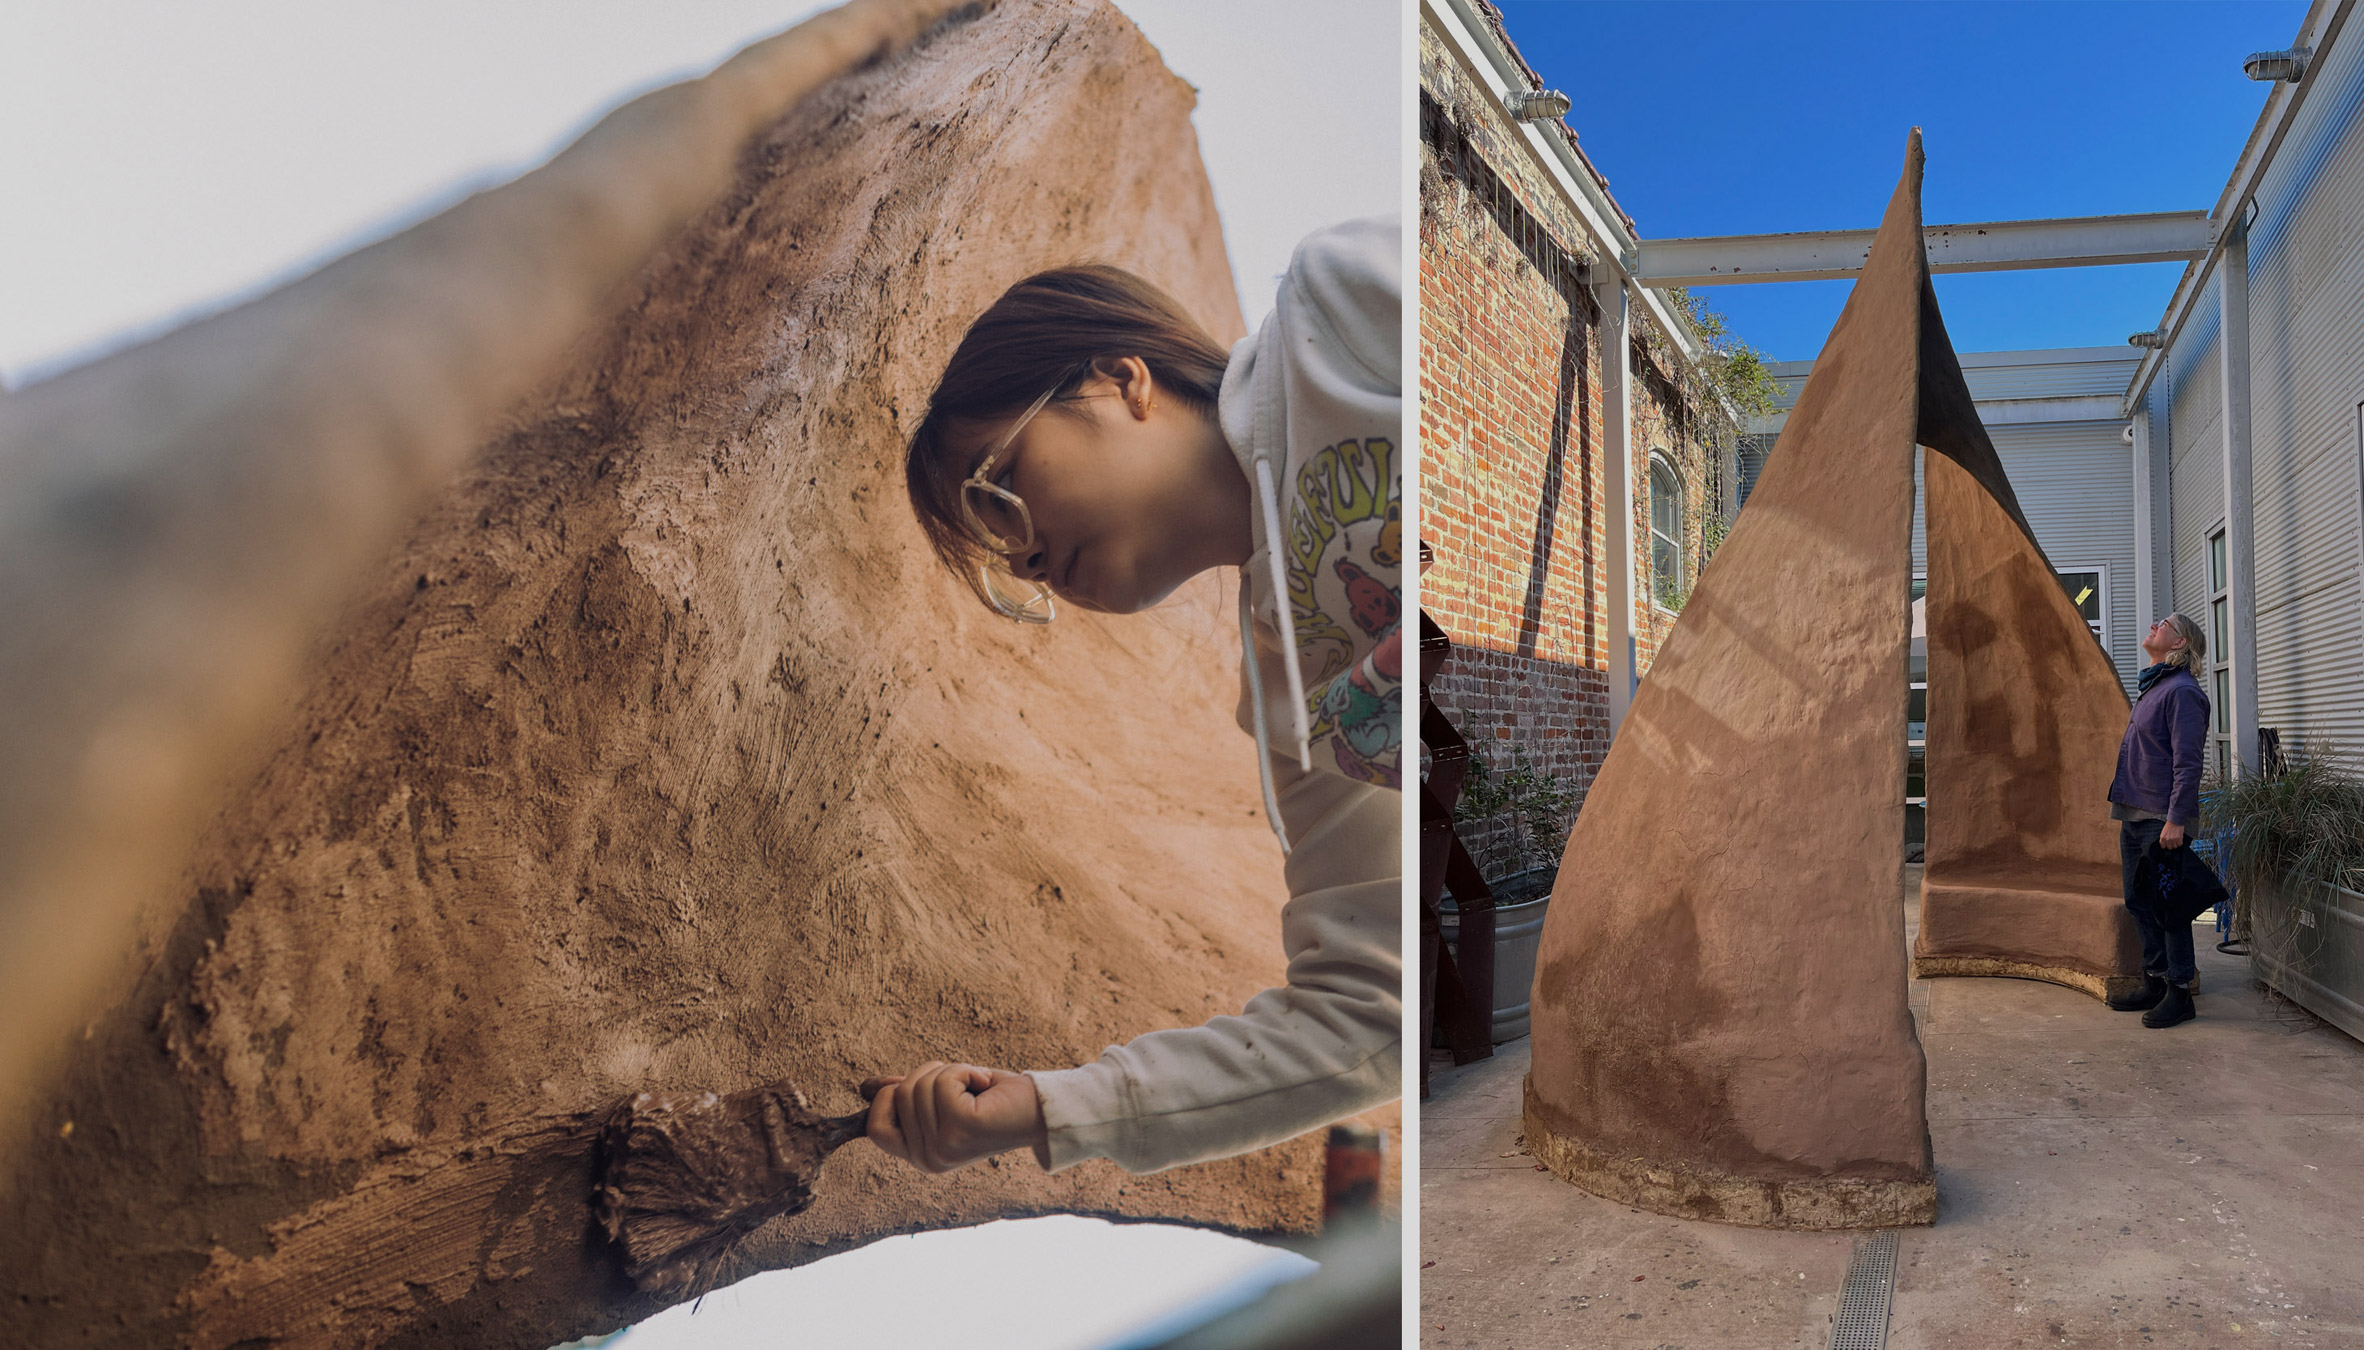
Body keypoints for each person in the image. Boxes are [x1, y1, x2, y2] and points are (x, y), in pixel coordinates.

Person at [863, 218, 1403, 1175]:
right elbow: (1367, 1014)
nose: (1022, 552)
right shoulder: (1286, 701)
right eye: (995, 551)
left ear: (1120, 379)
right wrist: (1050, 1108)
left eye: (1001, 488)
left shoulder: (1339, 308)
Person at [2105, 613, 2211, 1027]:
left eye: (2163, 623)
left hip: (2160, 819)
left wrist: (2176, 820)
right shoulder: (2157, 686)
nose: (2153, 625)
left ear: (2179, 643)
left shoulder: (2183, 692)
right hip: (2134, 812)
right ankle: (2155, 979)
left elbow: (2188, 763)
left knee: (2170, 907)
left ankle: (2180, 992)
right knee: (2138, 900)